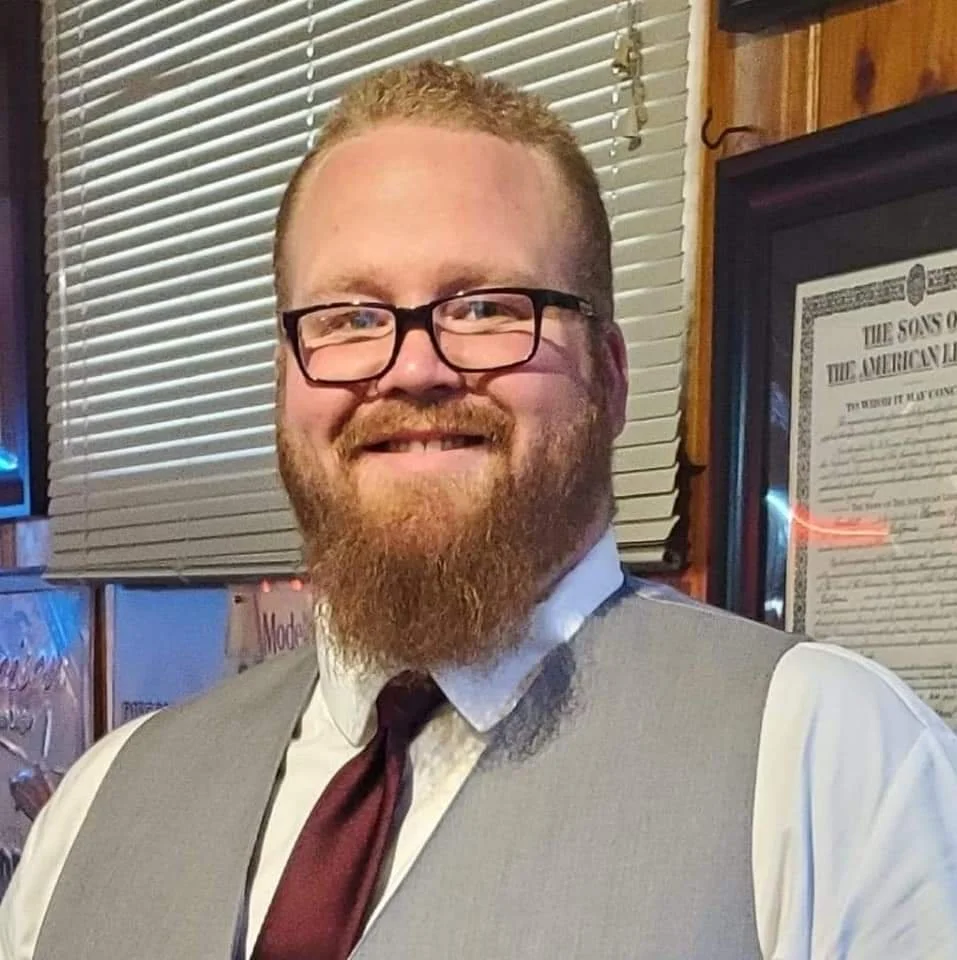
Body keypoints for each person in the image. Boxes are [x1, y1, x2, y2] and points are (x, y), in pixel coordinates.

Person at [3, 60, 957, 960]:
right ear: (283, 382)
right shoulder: (101, 799)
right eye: (346, 319)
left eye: (486, 308)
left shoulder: (834, 763)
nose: (412, 368)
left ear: (611, 378)